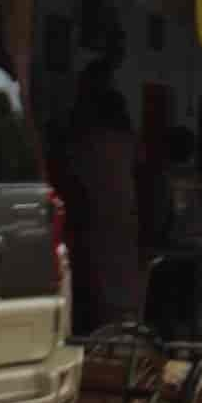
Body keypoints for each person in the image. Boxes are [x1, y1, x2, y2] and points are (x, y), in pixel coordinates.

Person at [67, 89, 142, 330]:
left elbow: (75, 174)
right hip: (124, 209)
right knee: (121, 270)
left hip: (96, 211)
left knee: (99, 270)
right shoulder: (127, 140)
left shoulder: (86, 140)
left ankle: (103, 326)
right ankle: (124, 323)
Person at [146, 126, 202, 339]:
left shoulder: (163, 179)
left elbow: (158, 217)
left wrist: (156, 240)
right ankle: (197, 346)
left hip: (173, 248)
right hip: (201, 248)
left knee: (169, 300)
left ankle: (169, 346)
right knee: (197, 300)